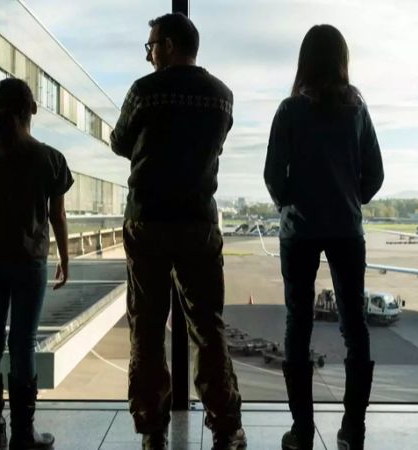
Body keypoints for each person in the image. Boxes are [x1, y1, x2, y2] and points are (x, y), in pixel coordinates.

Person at [110, 12, 246, 450]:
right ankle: (226, 426)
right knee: (208, 326)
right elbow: (215, 144)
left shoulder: (144, 92)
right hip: (197, 221)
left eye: (150, 45)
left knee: (147, 327)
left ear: (168, 45)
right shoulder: (221, 96)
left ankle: (152, 428)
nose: (148, 53)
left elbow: (119, 142)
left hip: (147, 219)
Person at [264, 25, 384, 450]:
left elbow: (272, 177)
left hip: (300, 230)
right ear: (342, 61)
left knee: (298, 325)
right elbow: (376, 175)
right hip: (347, 230)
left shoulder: (289, 111)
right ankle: (353, 430)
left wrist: (291, 203)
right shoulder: (357, 111)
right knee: (356, 326)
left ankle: (301, 431)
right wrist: (350, 197)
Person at [0, 78, 74, 450]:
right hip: (30, 262)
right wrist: (63, 256)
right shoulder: (50, 158)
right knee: (23, 343)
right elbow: (57, 215)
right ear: (33, 109)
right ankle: (24, 434)